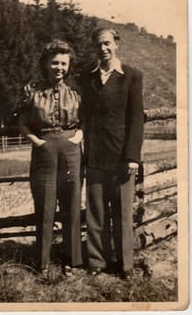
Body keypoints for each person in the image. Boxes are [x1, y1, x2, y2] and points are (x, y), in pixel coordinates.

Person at [81, 27, 144, 279]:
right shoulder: (88, 77)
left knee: (122, 213)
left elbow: (136, 118)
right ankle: (97, 262)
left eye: (107, 43)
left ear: (117, 44)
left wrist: (132, 157)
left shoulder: (131, 76)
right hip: (95, 156)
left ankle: (125, 265)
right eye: (98, 45)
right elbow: (84, 115)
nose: (103, 49)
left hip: (121, 158)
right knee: (96, 214)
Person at [19, 40, 83, 276]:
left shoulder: (76, 91)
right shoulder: (32, 91)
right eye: (54, 62)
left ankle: (72, 262)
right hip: (44, 151)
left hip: (71, 151)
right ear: (45, 64)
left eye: (64, 63)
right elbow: (23, 123)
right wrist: (38, 142)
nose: (59, 67)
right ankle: (42, 263)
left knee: (72, 206)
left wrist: (78, 137)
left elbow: (86, 118)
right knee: (45, 206)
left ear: (69, 65)